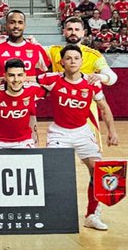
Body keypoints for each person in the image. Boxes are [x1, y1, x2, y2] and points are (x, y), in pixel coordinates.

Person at [41, 44, 120, 231]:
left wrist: (112, 131)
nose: (73, 61)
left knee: (98, 171)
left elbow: (104, 107)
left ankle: (92, 215)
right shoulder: (51, 79)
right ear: (61, 62)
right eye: (68, 58)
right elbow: (25, 79)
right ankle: (54, 213)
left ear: (82, 61)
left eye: (76, 58)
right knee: (53, 173)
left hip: (83, 132)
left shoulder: (92, 83)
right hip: (59, 132)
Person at [0, 59, 44, 149]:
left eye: (20, 75)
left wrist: (0, 79)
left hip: (24, 141)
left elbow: (56, 80)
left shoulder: (33, 90)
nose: (16, 80)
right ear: (5, 76)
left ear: (25, 76)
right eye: (11, 75)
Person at [0, 10, 51, 82]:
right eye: (12, 22)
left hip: (29, 92)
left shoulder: (36, 48)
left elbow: (48, 71)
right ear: (6, 25)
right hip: (2, 92)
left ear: (24, 25)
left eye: (20, 23)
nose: (16, 26)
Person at [49, 16, 117, 86]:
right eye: (69, 29)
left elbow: (112, 77)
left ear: (83, 33)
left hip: (84, 95)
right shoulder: (52, 51)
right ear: (64, 31)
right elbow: (36, 48)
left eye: (77, 29)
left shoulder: (93, 55)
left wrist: (99, 77)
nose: (73, 32)